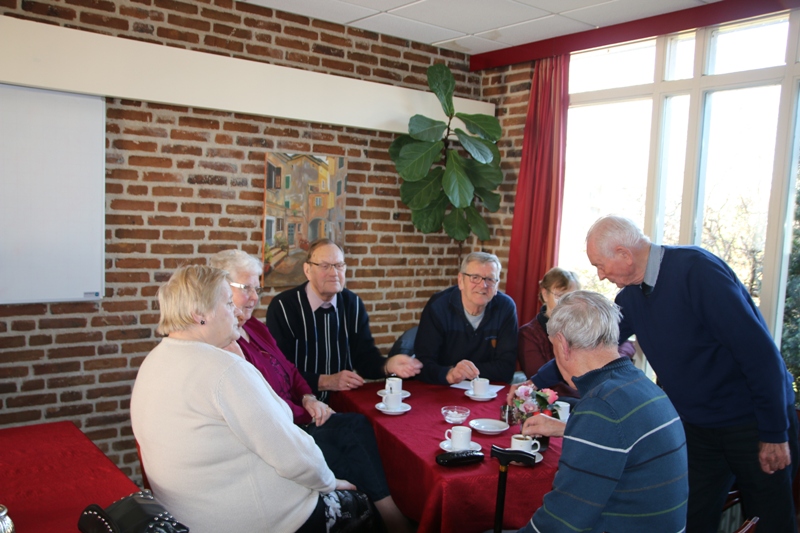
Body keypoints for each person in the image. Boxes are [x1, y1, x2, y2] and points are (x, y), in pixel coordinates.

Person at [530, 215, 799, 533]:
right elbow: (588, 344)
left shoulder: (697, 271)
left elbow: (760, 354)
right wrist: (536, 381)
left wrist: (774, 431)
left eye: (601, 266)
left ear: (624, 254)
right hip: (697, 427)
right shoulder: (630, 296)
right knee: (690, 519)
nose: (600, 275)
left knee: (770, 520)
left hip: (750, 421)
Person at [131, 265, 380, 533]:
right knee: (362, 504)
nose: (238, 313)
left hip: (189, 513)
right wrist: (330, 483)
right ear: (199, 315)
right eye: (229, 304)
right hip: (254, 521)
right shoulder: (222, 370)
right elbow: (293, 453)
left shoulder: (154, 360)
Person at [210, 250, 413, 533]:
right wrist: (315, 394)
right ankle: (387, 517)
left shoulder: (254, 326)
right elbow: (264, 404)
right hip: (285, 428)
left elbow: (289, 369)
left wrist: (308, 397)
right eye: (246, 288)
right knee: (350, 441)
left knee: (358, 430)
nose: (254, 297)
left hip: (304, 411)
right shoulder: (231, 339)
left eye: (339, 265)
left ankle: (380, 513)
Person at [517, 290, 688, 532]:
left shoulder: (601, 406)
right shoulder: (641, 384)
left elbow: (562, 520)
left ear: (563, 345)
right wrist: (569, 428)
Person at [266, 238, 422, 402]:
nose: (334, 273)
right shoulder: (283, 307)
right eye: (325, 266)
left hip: (343, 402)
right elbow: (280, 370)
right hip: (298, 405)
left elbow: (364, 359)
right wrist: (326, 381)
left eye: (339, 265)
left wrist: (388, 366)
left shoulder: (352, 303)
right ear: (307, 270)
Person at [517, 267, 636, 401]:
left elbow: (624, 343)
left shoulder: (584, 325)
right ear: (545, 294)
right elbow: (546, 385)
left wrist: (609, 356)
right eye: (560, 296)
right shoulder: (529, 334)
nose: (567, 304)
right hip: (564, 401)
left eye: (572, 297)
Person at [415, 251, 518, 385]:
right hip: (443, 387)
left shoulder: (505, 308)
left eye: (490, 279)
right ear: (460, 280)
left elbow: (507, 368)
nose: (483, 285)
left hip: (487, 389)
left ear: (497, 284)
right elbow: (423, 364)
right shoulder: (438, 307)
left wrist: (461, 371)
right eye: (475, 277)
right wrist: (450, 374)